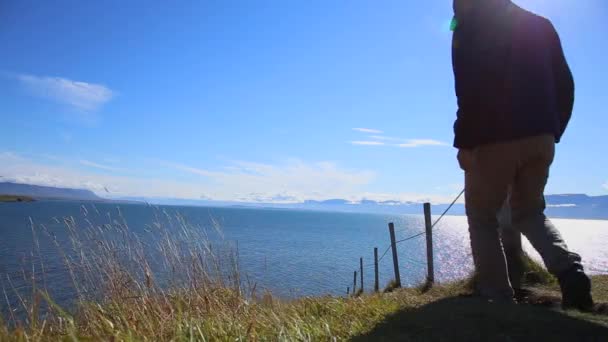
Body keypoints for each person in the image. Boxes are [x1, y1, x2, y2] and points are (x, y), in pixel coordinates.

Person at [451, 0, 593, 310]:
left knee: (482, 217)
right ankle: (570, 271)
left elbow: (467, 89)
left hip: (492, 138)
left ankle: (497, 297)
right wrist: (552, 130)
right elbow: (566, 84)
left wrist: (463, 143)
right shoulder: (541, 24)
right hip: (541, 137)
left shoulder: (468, 28)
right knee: (528, 212)